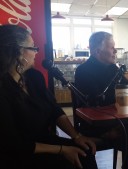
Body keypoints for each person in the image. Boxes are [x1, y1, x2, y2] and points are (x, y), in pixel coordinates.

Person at [0, 24, 98, 169]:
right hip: (19, 152)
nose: (36, 53)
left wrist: (77, 137)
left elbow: (54, 109)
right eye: (33, 48)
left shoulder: (34, 77)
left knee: (85, 150)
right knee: (66, 163)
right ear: (18, 52)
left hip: (45, 140)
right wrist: (62, 150)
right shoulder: (3, 87)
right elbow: (12, 142)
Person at [74, 31, 128, 169]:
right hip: (95, 126)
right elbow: (94, 104)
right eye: (112, 47)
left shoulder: (113, 68)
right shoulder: (83, 71)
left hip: (118, 121)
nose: (115, 51)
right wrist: (124, 97)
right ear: (97, 50)